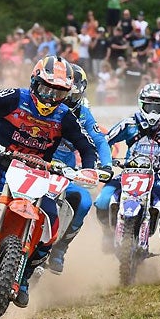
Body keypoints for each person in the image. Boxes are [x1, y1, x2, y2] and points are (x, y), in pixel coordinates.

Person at [0, 56, 97, 308]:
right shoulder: (15, 98)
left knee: (51, 226)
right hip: (2, 167)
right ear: (34, 83)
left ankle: (24, 278)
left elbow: (87, 144)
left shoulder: (65, 116)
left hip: (39, 176)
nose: (50, 98)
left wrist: (89, 170)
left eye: (58, 93)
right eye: (46, 89)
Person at [93, 83, 160, 274]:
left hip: (155, 177)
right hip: (127, 174)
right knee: (102, 201)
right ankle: (107, 234)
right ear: (141, 104)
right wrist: (102, 159)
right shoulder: (130, 123)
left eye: (158, 107)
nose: (153, 111)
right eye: (149, 106)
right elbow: (105, 141)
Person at [46, 65, 113, 274]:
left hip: (65, 172)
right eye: (59, 91)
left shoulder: (84, 114)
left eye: (69, 94)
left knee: (84, 202)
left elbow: (100, 141)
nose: (62, 98)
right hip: (34, 164)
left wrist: (106, 165)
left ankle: (59, 250)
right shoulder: (43, 104)